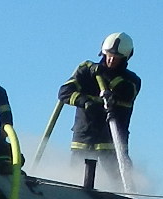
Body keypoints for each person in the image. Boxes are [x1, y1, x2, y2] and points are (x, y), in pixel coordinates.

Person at [58, 32, 141, 187]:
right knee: (74, 182)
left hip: (112, 142)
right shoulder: (86, 71)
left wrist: (104, 74)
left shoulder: (132, 81)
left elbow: (126, 93)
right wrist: (84, 101)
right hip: (84, 138)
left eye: (116, 58)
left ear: (125, 58)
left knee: (122, 184)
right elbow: (64, 93)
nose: (110, 60)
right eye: (108, 55)